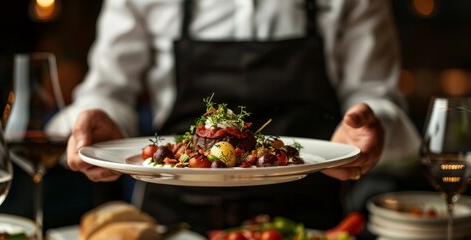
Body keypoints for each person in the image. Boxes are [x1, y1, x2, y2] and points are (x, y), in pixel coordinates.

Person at [48, 0, 421, 234]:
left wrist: (372, 128)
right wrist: (99, 121)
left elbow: (377, 96)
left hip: (306, 222)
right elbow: (108, 89)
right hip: (171, 225)